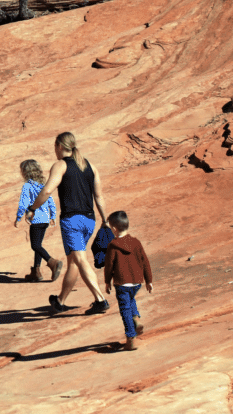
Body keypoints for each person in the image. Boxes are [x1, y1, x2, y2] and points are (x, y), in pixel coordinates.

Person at [24, 131, 110, 314]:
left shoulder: (60, 165)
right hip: (89, 220)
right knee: (73, 261)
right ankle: (60, 301)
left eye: (55, 147)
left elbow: (47, 190)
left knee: (79, 259)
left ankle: (100, 300)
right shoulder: (90, 166)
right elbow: (99, 196)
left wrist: (32, 208)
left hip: (72, 221)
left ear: (60, 146)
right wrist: (105, 220)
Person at [103, 210, 153, 350]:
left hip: (122, 282)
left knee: (125, 308)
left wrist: (107, 282)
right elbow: (145, 262)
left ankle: (130, 338)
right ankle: (136, 318)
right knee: (131, 300)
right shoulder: (136, 242)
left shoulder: (113, 245)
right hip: (136, 282)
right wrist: (148, 280)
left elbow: (109, 266)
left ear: (114, 229)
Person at [13, 159, 63, 282]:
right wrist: (52, 216)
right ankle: (36, 272)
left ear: (25, 172)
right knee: (38, 245)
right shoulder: (43, 185)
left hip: (36, 219)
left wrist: (19, 217)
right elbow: (50, 200)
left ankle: (52, 262)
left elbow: (23, 203)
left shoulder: (27, 186)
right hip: (45, 219)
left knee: (35, 245)